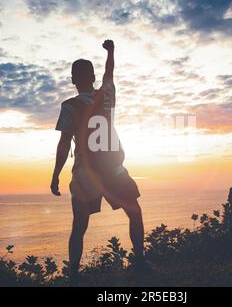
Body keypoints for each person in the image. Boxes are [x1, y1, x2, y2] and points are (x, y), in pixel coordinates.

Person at [50, 40, 146, 286]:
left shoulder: (69, 106)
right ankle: (141, 262)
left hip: (85, 173)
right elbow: (110, 72)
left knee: (79, 225)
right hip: (114, 169)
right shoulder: (106, 96)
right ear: (92, 77)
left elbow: (63, 144)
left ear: (73, 80)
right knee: (134, 213)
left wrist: (55, 175)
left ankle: (73, 276)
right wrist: (111, 52)